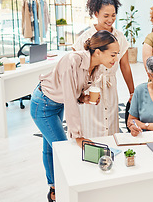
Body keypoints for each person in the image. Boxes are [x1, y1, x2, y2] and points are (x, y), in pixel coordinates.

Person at [30, 30, 119, 202]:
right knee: (63, 147)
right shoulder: (72, 61)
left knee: (51, 147)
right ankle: (62, 190)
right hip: (43, 104)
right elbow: (69, 99)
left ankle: (54, 189)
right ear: (98, 51)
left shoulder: (97, 67)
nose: (115, 59)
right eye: (113, 54)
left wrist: (83, 98)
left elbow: (73, 92)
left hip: (56, 103)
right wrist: (78, 136)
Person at [72, 0, 134, 138]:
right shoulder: (86, 37)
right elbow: (74, 65)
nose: (110, 19)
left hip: (110, 85)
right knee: (90, 124)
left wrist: (132, 92)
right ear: (96, 14)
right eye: (106, 15)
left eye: (113, 15)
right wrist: (79, 92)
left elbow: (125, 65)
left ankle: (109, 153)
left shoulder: (120, 36)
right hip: (90, 86)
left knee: (111, 124)